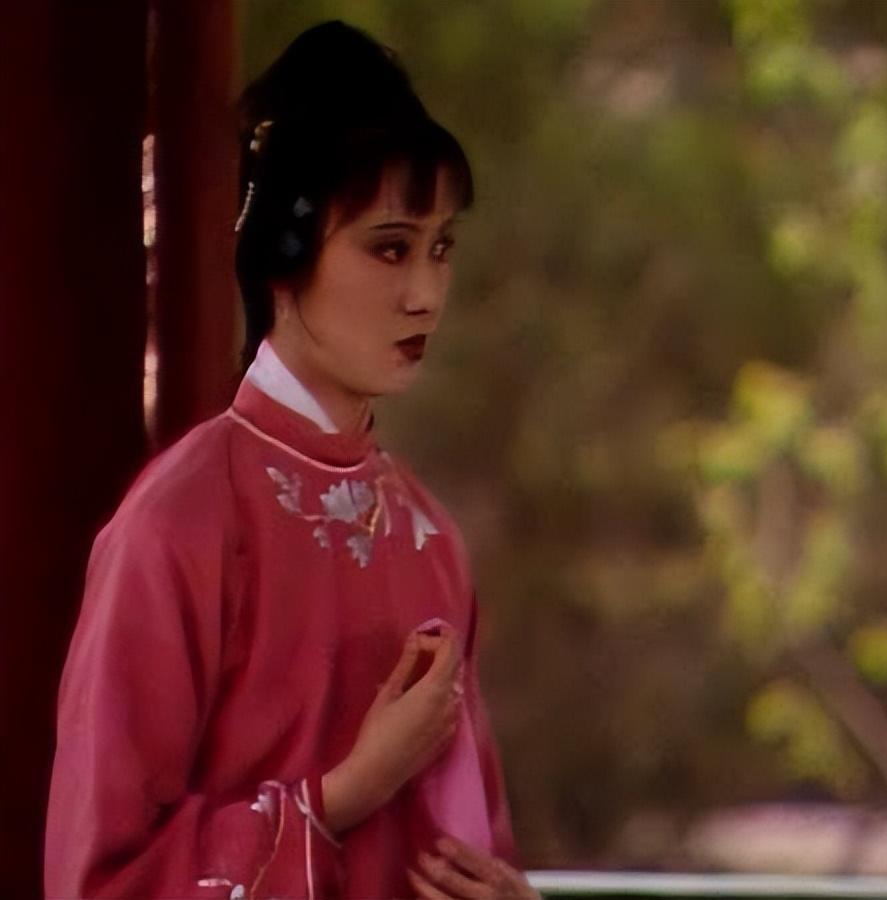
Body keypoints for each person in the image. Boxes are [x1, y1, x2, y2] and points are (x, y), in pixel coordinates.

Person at [44, 20, 538, 899]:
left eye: (440, 248)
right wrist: (343, 796)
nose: (426, 293)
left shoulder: (428, 537)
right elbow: (101, 880)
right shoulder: (179, 526)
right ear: (284, 253)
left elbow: (473, 849)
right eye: (389, 248)